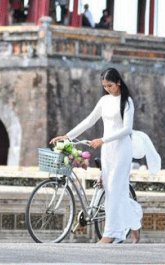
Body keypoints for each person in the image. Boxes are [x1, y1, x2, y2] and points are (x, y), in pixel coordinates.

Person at [50, 68, 142, 244]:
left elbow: (127, 129)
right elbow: (88, 121)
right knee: (113, 190)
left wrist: (103, 139)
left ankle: (111, 234)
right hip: (107, 150)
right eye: (105, 86)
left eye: (110, 85)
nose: (107, 89)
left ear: (118, 82)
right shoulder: (104, 101)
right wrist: (67, 136)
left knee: (115, 189)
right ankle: (135, 222)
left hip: (122, 149)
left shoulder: (127, 102)